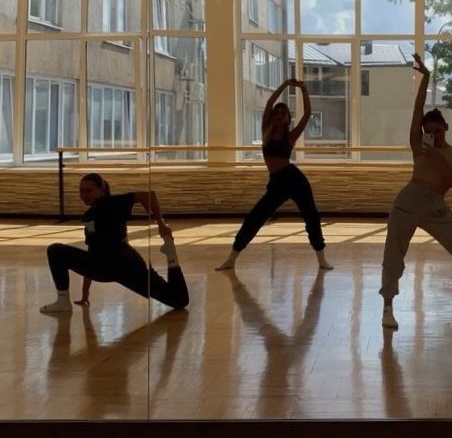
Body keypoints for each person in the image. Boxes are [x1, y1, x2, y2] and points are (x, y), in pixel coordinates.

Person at [379, 53, 452, 330]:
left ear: (446, 128)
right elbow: (416, 112)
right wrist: (425, 78)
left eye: (436, 132)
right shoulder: (419, 145)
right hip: (408, 201)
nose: (432, 136)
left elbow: (450, 182)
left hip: (436, 206)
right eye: (428, 132)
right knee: (393, 256)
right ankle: (387, 308)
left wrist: (438, 156)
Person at [215, 78, 333, 271]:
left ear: (287, 118)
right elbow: (270, 103)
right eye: (277, 113)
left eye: (283, 114)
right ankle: (232, 258)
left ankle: (322, 259)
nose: (279, 116)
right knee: (256, 217)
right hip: (277, 182)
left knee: (311, 216)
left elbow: (308, 114)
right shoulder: (266, 132)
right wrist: (286, 85)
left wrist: (303, 90)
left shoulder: (290, 136)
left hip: (294, 180)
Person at [42, 173, 189, 314]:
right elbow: (92, 251)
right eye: (81, 191)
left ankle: (171, 256)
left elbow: (148, 195)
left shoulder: (112, 203)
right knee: (178, 300)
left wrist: (160, 224)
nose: (84, 195)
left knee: (179, 300)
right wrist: (85, 293)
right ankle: (171, 254)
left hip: (122, 264)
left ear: (101, 190)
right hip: (109, 265)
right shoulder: (90, 215)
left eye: (89, 190)